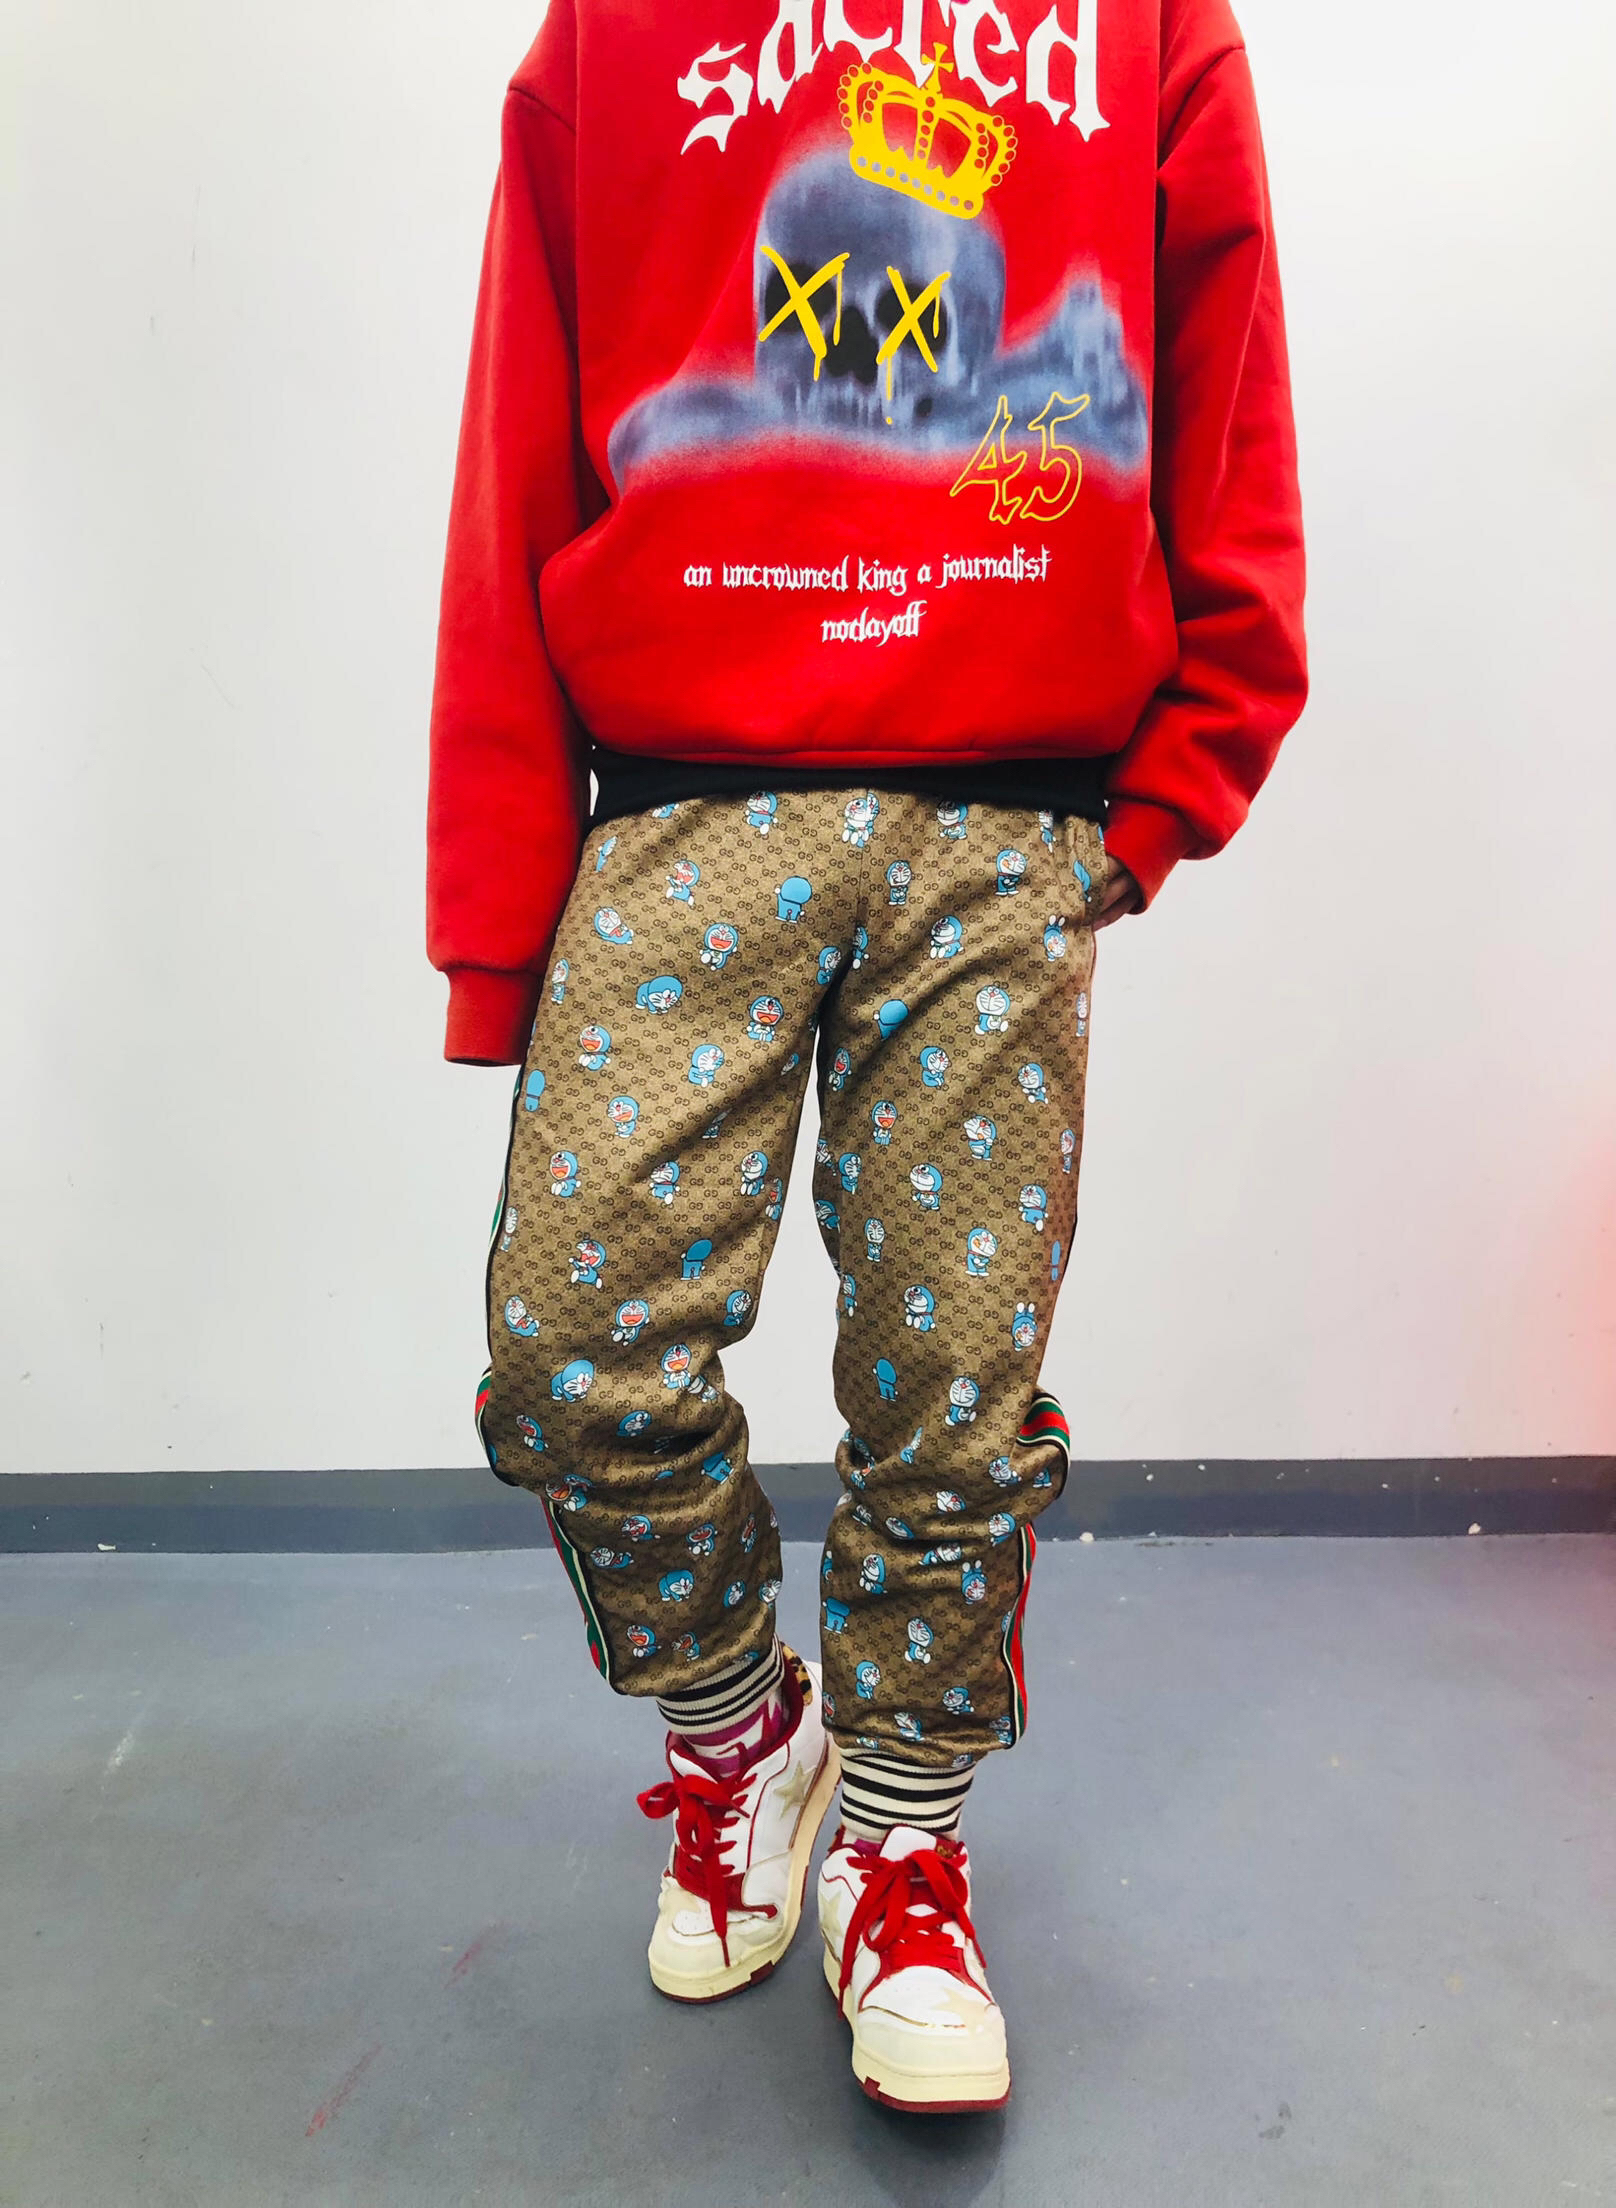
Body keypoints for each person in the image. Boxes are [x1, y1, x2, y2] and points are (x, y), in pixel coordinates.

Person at [427, 0, 1305, 2114]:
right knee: (573, 1355)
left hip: (1004, 817)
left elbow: (1225, 387)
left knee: (951, 1383)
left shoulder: (1144, 23)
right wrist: (497, 914)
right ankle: (749, 1736)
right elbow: (515, 438)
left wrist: (1174, 777)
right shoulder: (612, 32)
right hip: (681, 805)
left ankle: (902, 1838)